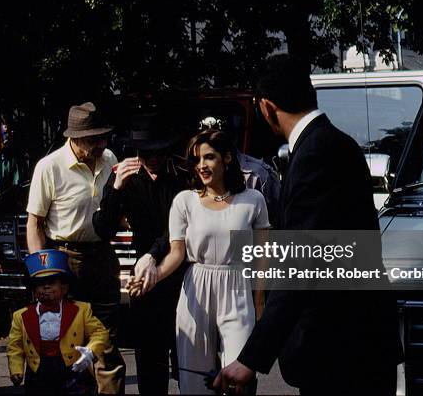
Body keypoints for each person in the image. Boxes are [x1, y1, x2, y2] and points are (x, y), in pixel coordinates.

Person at [215, 56, 402, 395]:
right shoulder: (334, 143)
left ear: (267, 108)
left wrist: (251, 358)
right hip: (355, 343)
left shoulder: (316, 153)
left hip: (342, 350)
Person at [140, 129, 269, 395]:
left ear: (228, 158)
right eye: (197, 159)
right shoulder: (185, 201)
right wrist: (151, 277)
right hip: (196, 288)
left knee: (240, 376)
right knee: (194, 382)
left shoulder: (253, 200)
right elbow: (176, 254)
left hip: (237, 287)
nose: (201, 165)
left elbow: (262, 255)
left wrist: (259, 302)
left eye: (209, 157)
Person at [26, 101, 125, 394]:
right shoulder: (49, 166)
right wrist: (42, 273)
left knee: (105, 342)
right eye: (93, 139)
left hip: (102, 257)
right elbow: (35, 224)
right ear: (74, 137)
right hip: (64, 259)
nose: (100, 144)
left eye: (103, 137)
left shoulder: (110, 159)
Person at [92, 112, 188, 395]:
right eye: (146, 153)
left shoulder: (182, 176)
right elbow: (102, 229)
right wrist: (116, 188)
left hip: (181, 270)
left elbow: (180, 229)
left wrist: (154, 255)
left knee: (189, 359)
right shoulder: (126, 178)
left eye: (158, 152)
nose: (153, 159)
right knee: (149, 361)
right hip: (145, 278)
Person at [7, 249, 109, 394]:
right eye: (40, 283)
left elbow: (100, 333)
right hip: (38, 371)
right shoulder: (21, 316)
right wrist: (16, 369)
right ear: (34, 291)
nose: (46, 287)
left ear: (64, 288)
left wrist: (90, 352)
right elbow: (15, 346)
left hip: (72, 368)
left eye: (51, 282)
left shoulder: (81, 310)